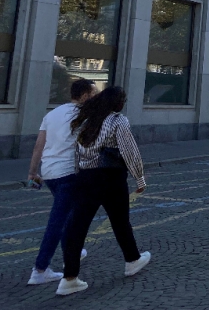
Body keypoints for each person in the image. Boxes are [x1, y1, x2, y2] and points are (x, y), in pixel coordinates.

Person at [57, 87, 150, 296]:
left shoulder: (86, 120)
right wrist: (140, 178)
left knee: (77, 227)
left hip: (85, 177)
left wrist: (76, 174)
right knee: (120, 221)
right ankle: (132, 260)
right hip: (110, 177)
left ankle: (69, 279)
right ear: (117, 102)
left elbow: (76, 152)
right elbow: (129, 151)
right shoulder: (118, 121)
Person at [25, 79, 96, 286]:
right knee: (57, 221)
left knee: (67, 215)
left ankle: (73, 250)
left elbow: (39, 146)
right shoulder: (84, 116)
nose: (95, 98)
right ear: (84, 96)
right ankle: (40, 269)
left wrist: (32, 171)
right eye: (93, 94)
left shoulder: (52, 114)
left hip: (49, 174)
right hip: (69, 173)